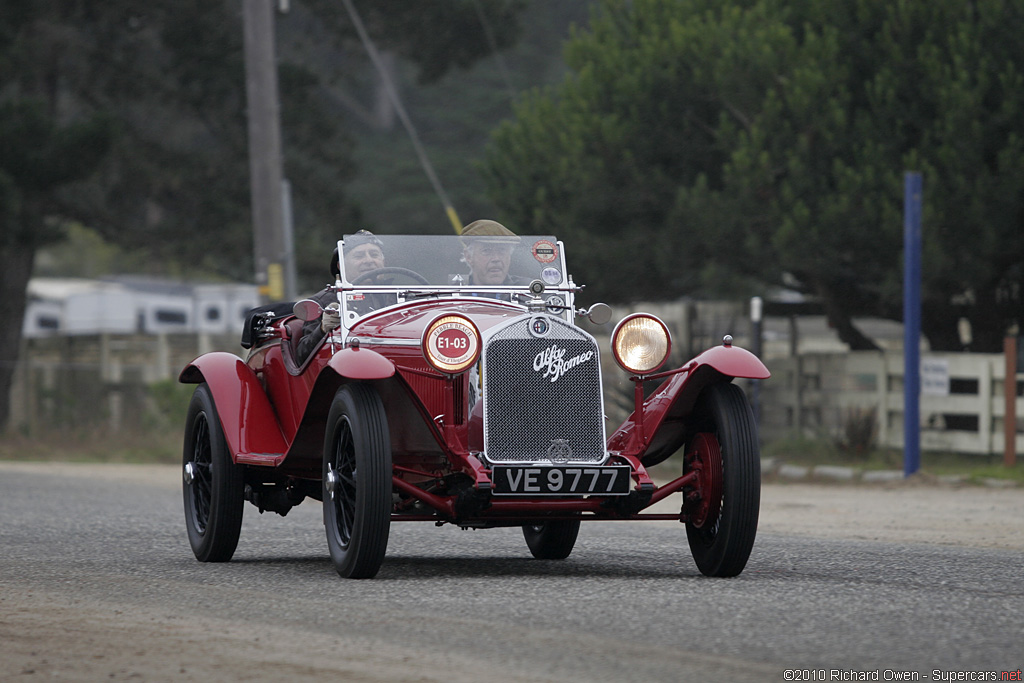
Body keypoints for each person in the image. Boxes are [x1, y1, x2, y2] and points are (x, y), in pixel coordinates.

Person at [295, 230, 384, 363]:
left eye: (374, 254)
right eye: (359, 256)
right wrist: (323, 329)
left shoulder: (404, 295)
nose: (369, 260)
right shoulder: (323, 302)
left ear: (383, 261)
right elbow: (301, 356)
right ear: (340, 265)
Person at [460, 220, 529, 288]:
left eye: (502, 250)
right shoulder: (456, 291)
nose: (496, 259)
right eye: (486, 251)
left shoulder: (527, 290)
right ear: (468, 256)